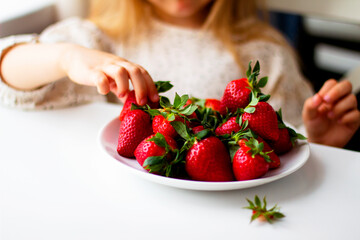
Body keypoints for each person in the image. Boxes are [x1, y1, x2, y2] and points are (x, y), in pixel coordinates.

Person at [0, 0, 359, 148]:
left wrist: (318, 138)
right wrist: (66, 57)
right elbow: (9, 71)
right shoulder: (97, 38)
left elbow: (286, 146)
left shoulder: (265, 53)